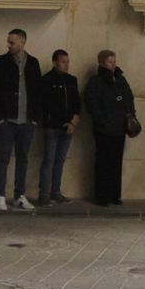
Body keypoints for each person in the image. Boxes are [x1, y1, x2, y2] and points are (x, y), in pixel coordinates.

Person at [0, 28, 43, 211]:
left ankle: (19, 195)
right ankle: (1, 196)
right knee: (3, 158)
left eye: (12, 42)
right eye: (8, 42)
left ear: (22, 42)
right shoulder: (1, 62)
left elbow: (37, 92)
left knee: (23, 159)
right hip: (7, 120)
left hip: (26, 120)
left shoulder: (33, 63)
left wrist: (35, 118)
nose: (9, 45)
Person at [83, 50, 135, 206]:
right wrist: (102, 121)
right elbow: (92, 104)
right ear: (101, 63)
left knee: (116, 163)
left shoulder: (120, 79)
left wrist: (131, 115)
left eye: (114, 61)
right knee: (103, 162)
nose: (113, 65)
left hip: (119, 128)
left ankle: (114, 194)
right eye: (109, 62)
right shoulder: (96, 82)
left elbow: (129, 98)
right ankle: (102, 196)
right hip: (104, 129)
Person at [36, 49, 81, 206]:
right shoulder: (46, 80)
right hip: (52, 126)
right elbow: (49, 105)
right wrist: (66, 120)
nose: (66, 65)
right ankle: (44, 194)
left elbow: (77, 102)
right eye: (63, 62)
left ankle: (56, 191)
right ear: (55, 62)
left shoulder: (72, 80)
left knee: (60, 160)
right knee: (49, 160)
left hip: (68, 127)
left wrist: (73, 121)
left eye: (68, 62)